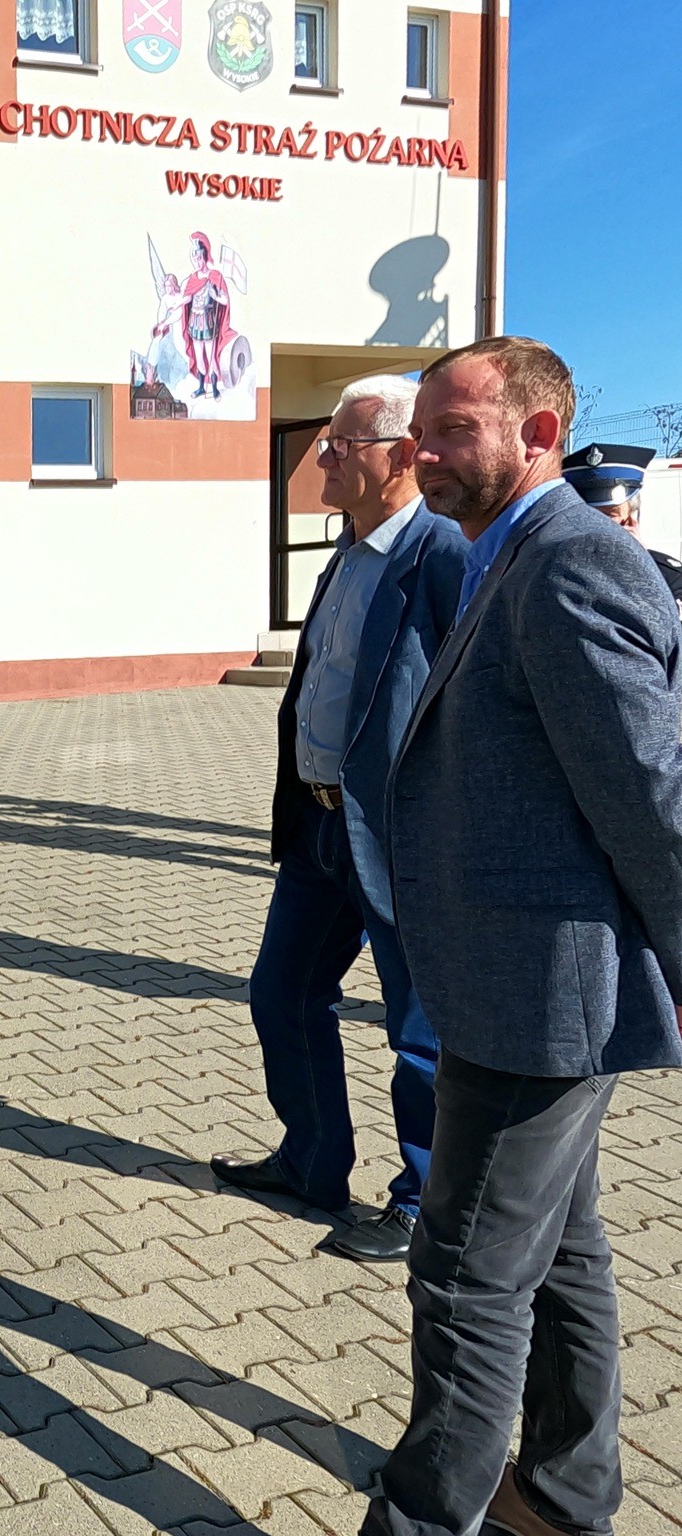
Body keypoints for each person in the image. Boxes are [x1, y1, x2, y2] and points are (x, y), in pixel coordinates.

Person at [363, 336, 682, 1536]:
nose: (423, 455)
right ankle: (559, 1494)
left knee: (463, 1276)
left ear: (536, 435)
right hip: (512, 981)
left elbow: (649, 796)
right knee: (559, 1250)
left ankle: (425, 1516)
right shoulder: (503, 555)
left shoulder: (566, 563)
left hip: (537, 996)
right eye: (418, 435)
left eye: (450, 431)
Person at [211, 377, 466, 1264]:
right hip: (319, 828)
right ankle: (312, 1162)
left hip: (398, 839)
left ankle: (426, 1203)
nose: (320, 457)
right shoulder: (346, 552)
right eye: (324, 442)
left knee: (419, 1031)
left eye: (339, 446)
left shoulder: (442, 555)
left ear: (400, 456)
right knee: (281, 993)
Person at [563, 441, 682, 601]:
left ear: (631, 519)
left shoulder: (668, 577)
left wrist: (638, 565)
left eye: (608, 515)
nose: (595, 523)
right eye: (586, 514)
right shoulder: (550, 572)